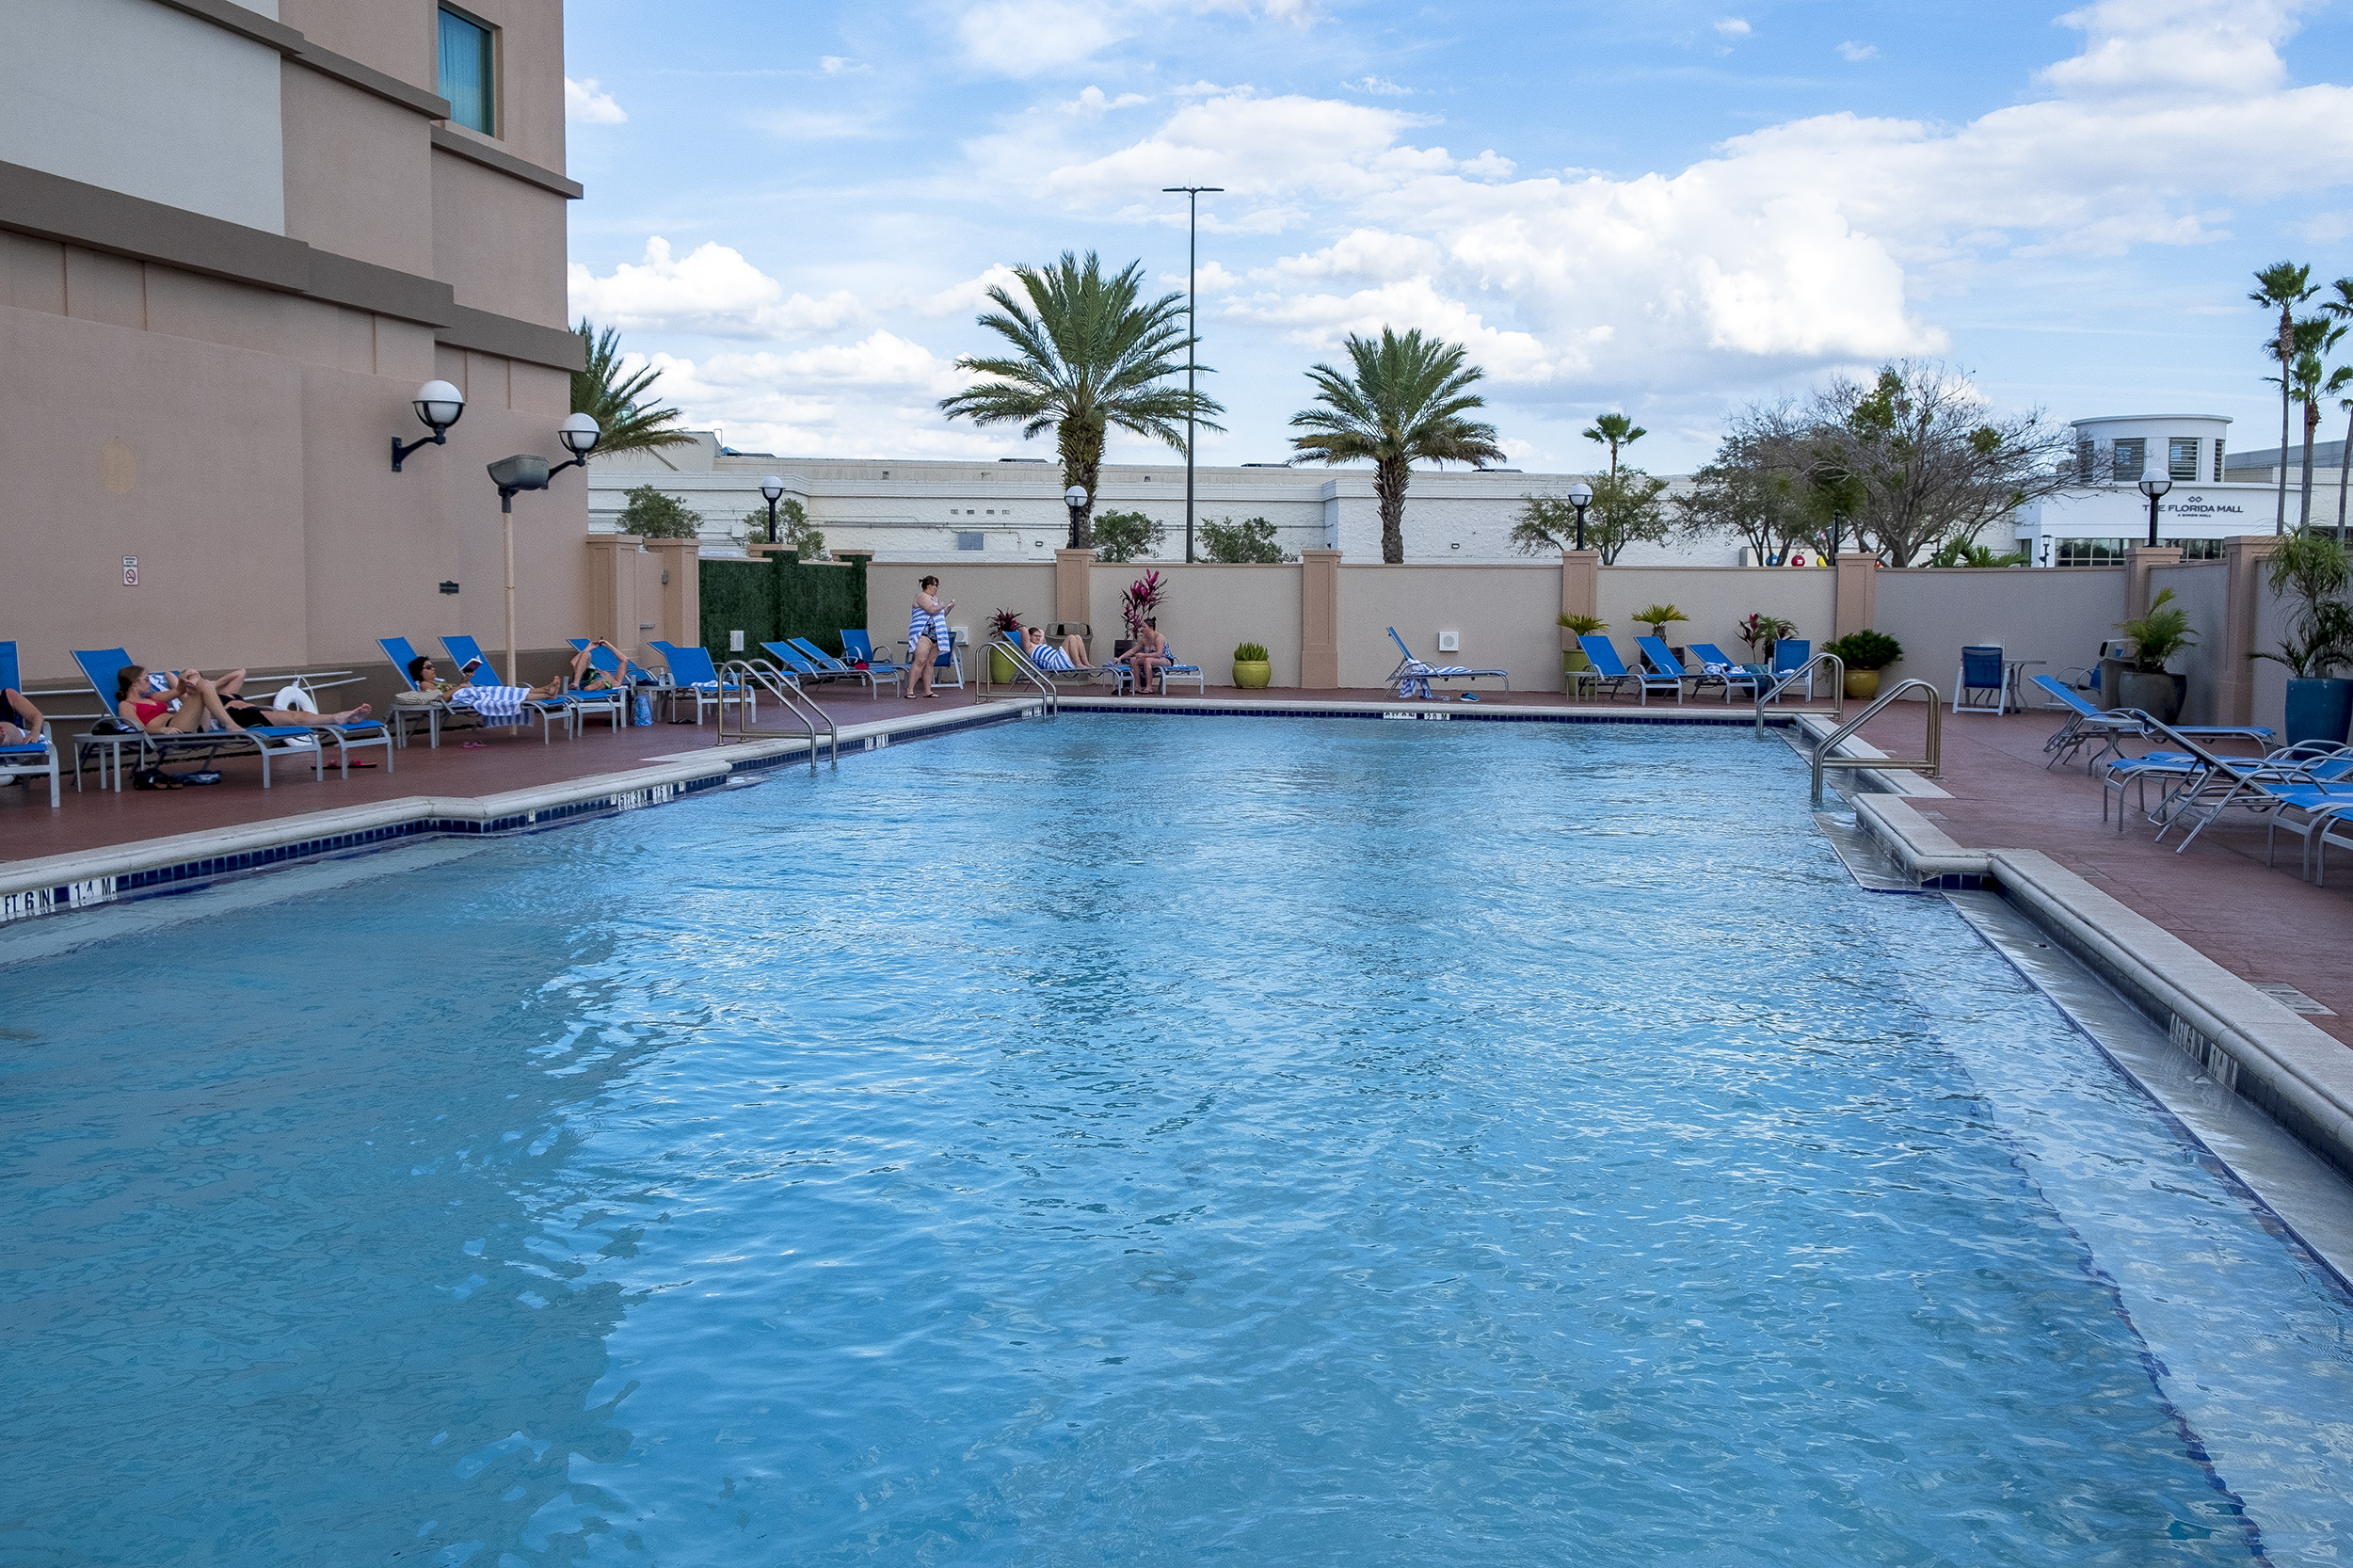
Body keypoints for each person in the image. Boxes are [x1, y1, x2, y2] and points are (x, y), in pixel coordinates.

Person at [907, 576, 953, 699]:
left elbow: (940, 616)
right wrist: (941, 605)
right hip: (923, 633)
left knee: (930, 663)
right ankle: (910, 690)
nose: (937, 588)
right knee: (920, 661)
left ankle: (927, 691)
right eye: (936, 585)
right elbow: (931, 610)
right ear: (929, 586)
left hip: (935, 634)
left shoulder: (935, 599)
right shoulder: (922, 596)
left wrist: (948, 608)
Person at [1122, 619, 1170, 695]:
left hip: (1165, 659)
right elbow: (1132, 651)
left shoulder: (1159, 637)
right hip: (1150, 659)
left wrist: (1143, 655)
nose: (1141, 629)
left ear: (1151, 627)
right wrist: (1119, 658)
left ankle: (1149, 687)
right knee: (1134, 660)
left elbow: (1158, 654)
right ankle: (1137, 686)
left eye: (1144, 627)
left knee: (1148, 660)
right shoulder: (1143, 639)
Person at [1021, 626, 1089, 672]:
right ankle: (1078, 664)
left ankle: (1086, 663)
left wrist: (1033, 631)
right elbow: (1024, 630)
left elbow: (1042, 631)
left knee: (1077, 637)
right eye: (1036, 636)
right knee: (1070, 638)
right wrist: (1029, 630)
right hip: (1055, 663)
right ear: (1029, 636)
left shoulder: (1039, 644)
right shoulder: (1029, 648)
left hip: (1060, 659)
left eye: (1039, 636)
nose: (1038, 638)